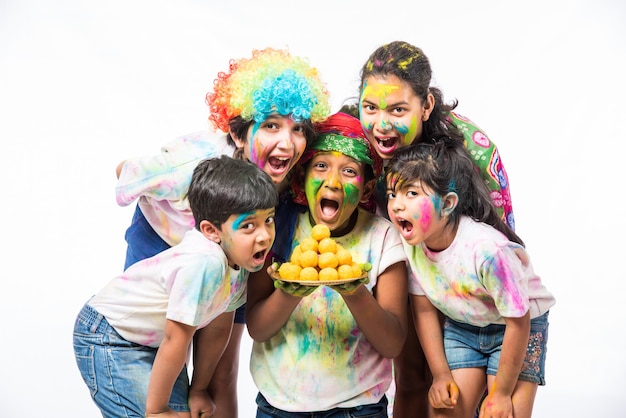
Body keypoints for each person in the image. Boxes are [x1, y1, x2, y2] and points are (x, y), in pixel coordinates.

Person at [114, 47, 331, 417]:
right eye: (271, 125)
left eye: (298, 129)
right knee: (168, 347)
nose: (287, 142)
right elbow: (125, 170)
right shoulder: (197, 160)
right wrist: (180, 202)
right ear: (239, 134)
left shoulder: (290, 177)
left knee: (220, 365)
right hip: (163, 243)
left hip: (236, 251)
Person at [340, 40, 517, 417]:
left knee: (461, 393)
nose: (381, 124)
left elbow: (501, 244)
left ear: (426, 106)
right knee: (410, 378)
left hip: (464, 283)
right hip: (398, 267)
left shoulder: (472, 150)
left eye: (398, 109)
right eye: (370, 107)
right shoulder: (354, 136)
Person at [73, 156, 279, 418]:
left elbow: (218, 326)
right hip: (111, 336)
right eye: (248, 226)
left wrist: (199, 389)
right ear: (211, 230)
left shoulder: (240, 262)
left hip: (154, 343)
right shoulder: (205, 262)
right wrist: (157, 410)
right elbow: (176, 337)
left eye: (269, 220)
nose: (264, 235)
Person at [245, 112, 408, 417]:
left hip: (358, 409)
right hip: (277, 407)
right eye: (321, 166)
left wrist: (354, 291)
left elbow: (392, 344)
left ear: (367, 189)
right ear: (301, 177)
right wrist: (290, 292)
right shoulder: (276, 227)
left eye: (348, 171)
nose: (332, 181)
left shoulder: (382, 237)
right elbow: (257, 328)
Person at [385, 140, 555, 418]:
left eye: (411, 193)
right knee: (445, 411)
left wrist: (499, 394)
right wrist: (440, 375)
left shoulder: (487, 251)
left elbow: (518, 321)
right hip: (465, 327)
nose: (397, 205)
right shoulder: (412, 244)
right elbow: (424, 310)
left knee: (503, 413)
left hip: (517, 327)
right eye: (393, 194)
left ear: (448, 204)